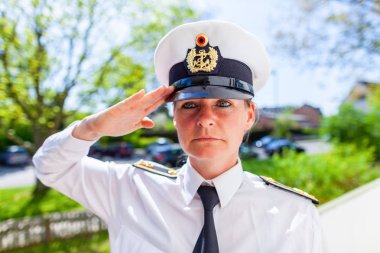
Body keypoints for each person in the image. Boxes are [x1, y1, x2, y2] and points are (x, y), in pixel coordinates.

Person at [33, 20, 327, 253]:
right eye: (189, 105)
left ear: (249, 115)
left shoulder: (293, 213)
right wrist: (93, 127)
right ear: (174, 116)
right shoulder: (130, 189)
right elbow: (49, 166)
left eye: (223, 104)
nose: (205, 119)